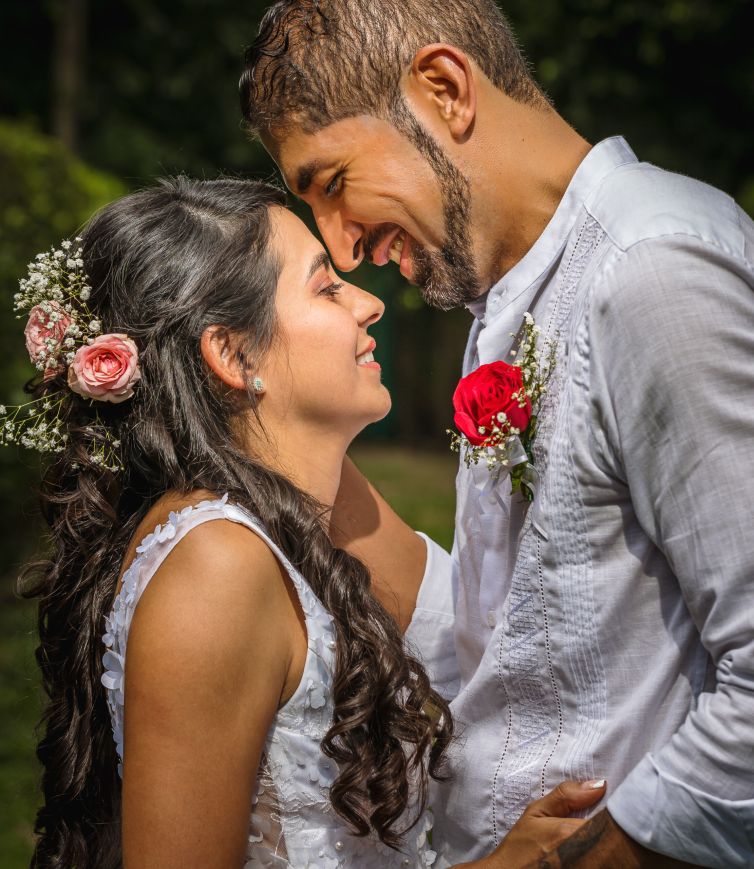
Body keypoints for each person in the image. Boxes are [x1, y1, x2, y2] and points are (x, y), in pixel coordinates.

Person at [239, 1, 754, 867]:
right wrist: (276, 443)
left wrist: (564, 861)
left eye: (333, 183)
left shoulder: (650, 272)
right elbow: (521, 627)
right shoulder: (512, 297)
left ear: (444, 89)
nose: (345, 245)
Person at [12, 177, 605, 869]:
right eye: (326, 288)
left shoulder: (296, 499)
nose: (370, 301)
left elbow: (464, 633)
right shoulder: (215, 568)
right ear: (233, 355)